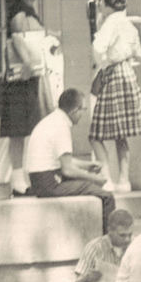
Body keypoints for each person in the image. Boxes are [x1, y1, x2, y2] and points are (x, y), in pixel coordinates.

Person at [27, 88, 115, 234]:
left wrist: (87, 166)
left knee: (90, 185)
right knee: (107, 196)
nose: (83, 114)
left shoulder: (53, 120)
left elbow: (62, 159)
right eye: (83, 110)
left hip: (40, 180)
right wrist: (94, 178)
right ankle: (109, 243)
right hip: (49, 183)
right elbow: (67, 169)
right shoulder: (61, 127)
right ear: (75, 110)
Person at [89, 0, 141, 193]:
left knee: (95, 135)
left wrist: (103, 62)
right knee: (120, 136)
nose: (99, 5)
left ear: (107, 3)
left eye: (101, 1)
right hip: (127, 75)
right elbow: (139, 54)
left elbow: (98, 48)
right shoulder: (128, 24)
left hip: (113, 75)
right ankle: (124, 181)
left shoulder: (111, 23)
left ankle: (107, 180)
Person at [2, 0, 52, 197]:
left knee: (33, 128)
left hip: (33, 77)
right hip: (21, 79)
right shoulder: (19, 11)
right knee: (18, 130)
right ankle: (17, 180)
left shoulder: (31, 12)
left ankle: (32, 177)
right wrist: (29, 63)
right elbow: (18, 40)